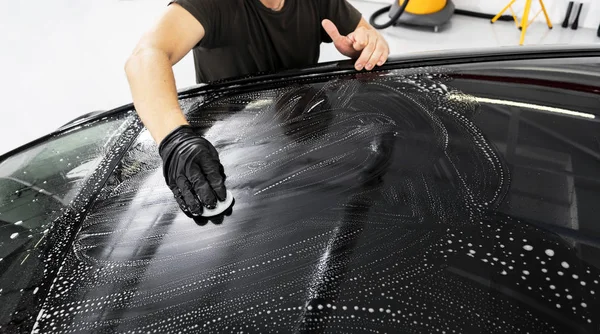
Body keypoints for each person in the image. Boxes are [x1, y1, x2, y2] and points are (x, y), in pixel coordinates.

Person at [124, 0, 390, 218]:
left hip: (299, 142)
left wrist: (366, 46)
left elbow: (366, 35)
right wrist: (174, 139)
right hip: (231, 153)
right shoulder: (212, 4)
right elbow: (146, 54)